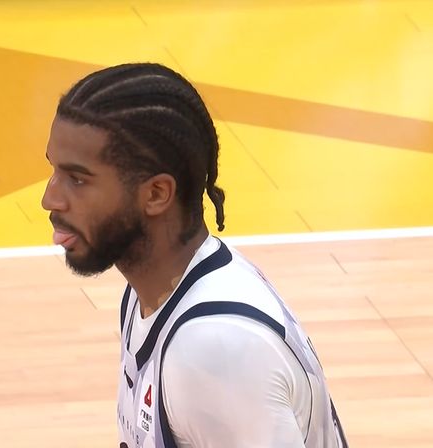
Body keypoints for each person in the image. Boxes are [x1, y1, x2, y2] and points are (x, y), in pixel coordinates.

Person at [41, 62, 348, 448]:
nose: (50, 198)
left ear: (156, 194)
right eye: (54, 171)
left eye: (77, 179)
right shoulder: (149, 295)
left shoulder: (213, 348)